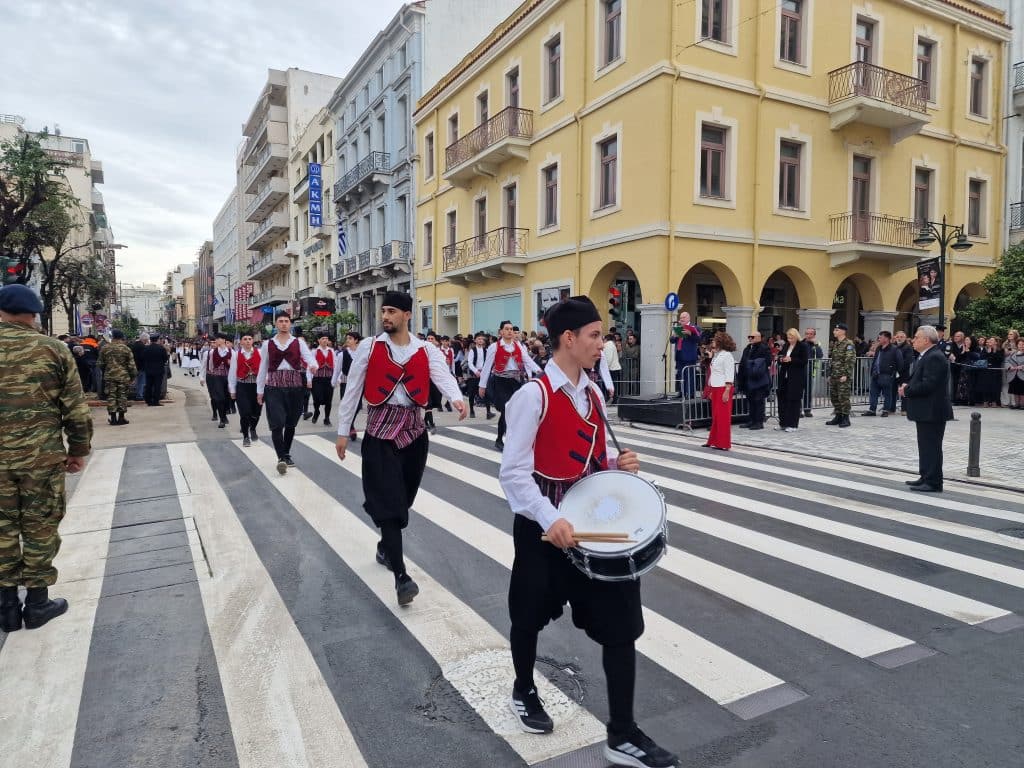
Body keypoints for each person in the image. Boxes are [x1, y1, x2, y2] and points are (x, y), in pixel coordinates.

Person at [498, 295, 678, 768]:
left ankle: (622, 732)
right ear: (569, 339)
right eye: (596, 335)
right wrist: (547, 518)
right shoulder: (531, 396)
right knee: (528, 615)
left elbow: (594, 461)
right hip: (544, 529)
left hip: (592, 530)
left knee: (621, 625)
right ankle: (524, 688)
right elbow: (513, 473)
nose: (604, 343)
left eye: (603, 335)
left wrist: (620, 466)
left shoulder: (595, 393)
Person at [335, 292, 466, 605]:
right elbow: (352, 389)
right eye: (384, 311)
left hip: (414, 432)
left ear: (407, 315)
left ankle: (385, 545)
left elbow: (442, 375)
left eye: (392, 311)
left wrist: (456, 396)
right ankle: (401, 577)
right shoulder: (370, 346)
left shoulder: (425, 349)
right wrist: (343, 431)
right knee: (390, 506)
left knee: (403, 501)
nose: (386, 317)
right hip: (380, 432)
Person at [0, 284, 92, 632]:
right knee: (39, 526)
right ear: (35, 314)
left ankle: (6, 605)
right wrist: (78, 451)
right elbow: (76, 410)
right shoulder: (53, 350)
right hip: (41, 460)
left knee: (2, 529)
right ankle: (37, 604)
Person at [256, 312, 318, 474]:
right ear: (276, 324)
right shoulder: (267, 344)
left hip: (295, 385)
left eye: (286, 321)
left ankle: (287, 452)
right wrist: (260, 391)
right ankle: (281, 458)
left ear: (290, 324)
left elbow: (310, 358)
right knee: (277, 423)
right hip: (274, 386)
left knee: (291, 423)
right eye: (281, 321)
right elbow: (263, 367)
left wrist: (313, 366)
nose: (284, 324)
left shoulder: (298, 342)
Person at [899, 325, 953, 493]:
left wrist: (906, 390)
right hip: (926, 410)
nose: (913, 340)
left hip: (932, 410)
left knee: (931, 446)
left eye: (916, 337)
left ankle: (933, 482)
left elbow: (929, 384)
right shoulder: (927, 355)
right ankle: (925, 476)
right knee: (925, 445)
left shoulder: (934, 357)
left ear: (926, 340)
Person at [479, 320, 541, 450]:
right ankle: (501, 438)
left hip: (515, 381)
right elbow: (486, 367)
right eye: (506, 329)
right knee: (506, 409)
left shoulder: (519, 345)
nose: (509, 331)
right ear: (501, 332)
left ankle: (509, 438)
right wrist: (482, 386)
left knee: (516, 411)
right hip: (500, 381)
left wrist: (540, 372)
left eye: (511, 329)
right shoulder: (494, 347)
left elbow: (528, 361)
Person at [228, 332, 263, 447]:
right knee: (244, 413)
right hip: (242, 386)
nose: (248, 341)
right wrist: (232, 390)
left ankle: (253, 428)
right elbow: (232, 372)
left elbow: (264, 370)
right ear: (241, 342)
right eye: (245, 339)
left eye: (250, 339)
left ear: (253, 341)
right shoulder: (236, 355)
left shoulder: (260, 353)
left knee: (256, 412)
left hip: (257, 386)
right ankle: (245, 437)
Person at [97, 329, 137, 426]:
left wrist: (106, 371)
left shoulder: (105, 348)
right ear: (122, 337)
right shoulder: (126, 349)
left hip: (110, 376)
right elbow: (131, 365)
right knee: (122, 396)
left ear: (113, 336)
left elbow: (100, 364)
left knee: (111, 397)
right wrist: (133, 376)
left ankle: (113, 418)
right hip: (123, 377)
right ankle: (121, 418)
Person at [705, 332, 736, 450]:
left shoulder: (727, 355)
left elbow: (729, 373)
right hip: (716, 387)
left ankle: (723, 443)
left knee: (723, 416)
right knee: (716, 416)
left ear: (720, 342)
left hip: (724, 387)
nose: (712, 342)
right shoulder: (717, 355)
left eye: (715, 341)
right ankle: (713, 440)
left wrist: (727, 390)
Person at [736, 331, 771, 430]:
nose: (750, 338)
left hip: (758, 379)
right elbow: (743, 362)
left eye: (752, 337)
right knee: (750, 400)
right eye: (749, 337)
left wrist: (753, 365)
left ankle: (759, 422)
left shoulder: (763, 348)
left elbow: (767, 361)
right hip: (748, 378)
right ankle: (752, 420)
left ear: (759, 337)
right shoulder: (747, 348)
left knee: (758, 400)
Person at [331, 331, 362, 441]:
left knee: (358, 406)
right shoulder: (342, 354)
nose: (348, 340)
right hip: (345, 382)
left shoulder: (361, 353)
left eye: (350, 338)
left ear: (356, 340)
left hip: (359, 383)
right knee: (347, 405)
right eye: (347, 338)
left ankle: (350, 424)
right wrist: (334, 382)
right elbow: (337, 369)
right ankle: (351, 427)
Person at [775, 328, 807, 432]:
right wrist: (780, 359)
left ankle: (793, 424)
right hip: (784, 376)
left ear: (796, 336)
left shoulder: (802, 346)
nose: (790, 339)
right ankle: (783, 423)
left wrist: (791, 359)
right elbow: (782, 356)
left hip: (796, 377)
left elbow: (804, 361)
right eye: (788, 337)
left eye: (792, 337)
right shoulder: (786, 345)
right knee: (782, 399)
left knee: (793, 401)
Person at [862, 331, 899, 417]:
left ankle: (886, 410)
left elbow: (899, 362)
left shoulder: (894, 349)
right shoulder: (879, 348)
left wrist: (892, 372)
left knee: (887, 393)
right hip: (876, 374)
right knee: (873, 393)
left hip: (887, 374)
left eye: (880, 337)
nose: (879, 339)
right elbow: (876, 360)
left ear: (886, 338)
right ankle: (872, 410)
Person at [826, 323, 856, 427]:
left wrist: (846, 374)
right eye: (834, 330)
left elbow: (850, 360)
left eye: (836, 330)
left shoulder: (849, 344)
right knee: (834, 397)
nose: (834, 332)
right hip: (834, 375)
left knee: (843, 397)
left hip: (843, 376)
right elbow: (833, 360)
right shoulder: (836, 344)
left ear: (843, 331)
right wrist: (830, 374)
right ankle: (838, 416)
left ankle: (846, 418)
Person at [201, 333, 233, 428]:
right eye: (216, 339)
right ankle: (221, 418)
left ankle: (225, 413)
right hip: (216, 377)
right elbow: (208, 366)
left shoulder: (231, 352)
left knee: (227, 398)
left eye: (219, 339)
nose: (217, 341)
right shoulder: (211, 352)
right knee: (219, 398)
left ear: (224, 340)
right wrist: (203, 377)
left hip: (228, 377)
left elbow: (235, 366)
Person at [462, 332, 493, 419]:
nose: (480, 340)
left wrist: (484, 371)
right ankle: (472, 410)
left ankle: (488, 412)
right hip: (474, 375)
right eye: (479, 339)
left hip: (483, 374)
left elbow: (487, 362)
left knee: (486, 393)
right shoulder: (472, 350)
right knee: (472, 393)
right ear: (475, 340)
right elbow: (470, 363)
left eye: (482, 339)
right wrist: (476, 371)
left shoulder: (486, 351)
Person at [310, 333, 337, 426]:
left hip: (329, 378)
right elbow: (310, 366)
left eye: (326, 338)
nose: (325, 340)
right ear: (318, 340)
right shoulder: (314, 351)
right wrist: (309, 380)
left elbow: (335, 364)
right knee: (317, 399)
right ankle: (316, 411)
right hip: (317, 378)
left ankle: (327, 418)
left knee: (328, 400)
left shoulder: (332, 351)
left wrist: (337, 378)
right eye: (323, 338)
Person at [672, 310, 700, 398]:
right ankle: (681, 392)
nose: (681, 319)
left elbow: (699, 339)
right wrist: (674, 336)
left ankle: (690, 394)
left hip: (689, 356)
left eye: (683, 317)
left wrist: (690, 333)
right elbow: (671, 341)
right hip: (679, 355)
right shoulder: (678, 327)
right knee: (680, 375)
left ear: (688, 318)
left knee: (689, 376)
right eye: (680, 318)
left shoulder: (694, 327)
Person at [140, 333, 169, 406]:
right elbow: (165, 359)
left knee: (148, 385)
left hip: (148, 370)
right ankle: (156, 401)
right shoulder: (161, 348)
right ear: (157, 340)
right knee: (157, 386)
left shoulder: (146, 348)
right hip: (159, 370)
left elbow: (142, 358)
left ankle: (148, 401)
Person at [801, 327, 824, 417]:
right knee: (799, 391)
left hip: (810, 371)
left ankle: (807, 410)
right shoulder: (800, 343)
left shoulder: (815, 345)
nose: (808, 336)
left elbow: (819, 355)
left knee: (808, 391)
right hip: (800, 370)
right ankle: (798, 410)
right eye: (807, 333)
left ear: (814, 335)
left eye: (811, 334)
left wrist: (816, 345)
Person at [603, 333, 622, 403]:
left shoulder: (608, 345)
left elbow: (608, 358)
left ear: (606, 339)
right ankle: (613, 399)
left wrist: (605, 368)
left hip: (611, 368)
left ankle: (611, 398)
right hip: (614, 368)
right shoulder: (611, 345)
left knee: (610, 384)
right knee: (613, 384)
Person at [1006, 338, 1024, 409]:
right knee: (1015, 390)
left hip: (1022, 375)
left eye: (1023, 344)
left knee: (1022, 391)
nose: (1022, 346)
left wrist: (1022, 367)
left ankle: (1022, 405)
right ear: (1017, 345)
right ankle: (1016, 404)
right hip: (1013, 374)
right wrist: (1010, 367)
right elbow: (1006, 361)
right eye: (1020, 344)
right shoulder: (1013, 353)